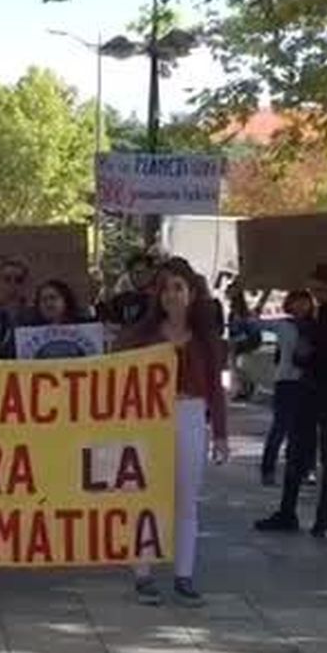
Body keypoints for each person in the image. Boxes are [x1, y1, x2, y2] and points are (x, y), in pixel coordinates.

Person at [113, 258, 228, 606]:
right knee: (143, 497)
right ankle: (143, 574)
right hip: (148, 419)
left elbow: (216, 391)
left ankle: (184, 575)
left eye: (178, 287)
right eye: (165, 288)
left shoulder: (207, 341)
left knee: (186, 499)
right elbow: (115, 375)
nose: (171, 295)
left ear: (192, 293)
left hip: (191, 415)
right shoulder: (141, 337)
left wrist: (220, 434)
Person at [262, 264, 327, 537]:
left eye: (322, 290)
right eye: (314, 290)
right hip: (309, 385)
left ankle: (323, 516)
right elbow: (302, 354)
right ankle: (287, 511)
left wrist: (322, 348)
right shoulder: (315, 315)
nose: (318, 295)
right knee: (297, 449)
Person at [254, 289, 315, 488]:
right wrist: (259, 301)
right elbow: (255, 322)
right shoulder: (283, 325)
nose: (301, 306)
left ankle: (304, 469)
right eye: (297, 302)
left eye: (304, 302)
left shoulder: (316, 326)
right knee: (280, 427)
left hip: (308, 381)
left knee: (306, 429)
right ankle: (268, 469)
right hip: (286, 381)